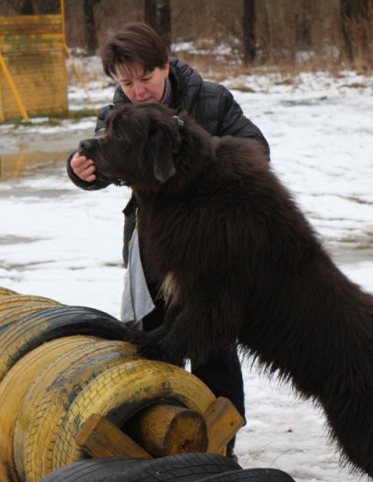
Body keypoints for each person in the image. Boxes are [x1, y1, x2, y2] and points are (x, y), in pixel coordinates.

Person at [67, 22, 269, 456]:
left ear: (166, 66)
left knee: (213, 345)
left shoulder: (210, 99)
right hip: (154, 247)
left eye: (146, 78)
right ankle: (162, 439)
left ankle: (222, 443)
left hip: (213, 250)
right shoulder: (118, 113)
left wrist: (187, 149)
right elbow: (105, 164)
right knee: (156, 341)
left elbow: (256, 150)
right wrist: (81, 171)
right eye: (126, 82)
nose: (137, 90)